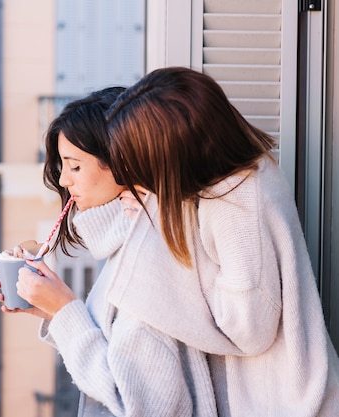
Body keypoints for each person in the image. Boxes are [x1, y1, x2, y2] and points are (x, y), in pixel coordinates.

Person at [104, 66, 339, 416]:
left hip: (284, 405)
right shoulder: (242, 178)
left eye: (139, 161)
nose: (130, 174)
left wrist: (159, 250)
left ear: (172, 153)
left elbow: (249, 331)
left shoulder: (234, 205)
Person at [0, 87, 217, 416]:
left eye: (75, 166)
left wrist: (65, 310)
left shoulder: (146, 259)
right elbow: (120, 358)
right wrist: (53, 313)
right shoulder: (129, 245)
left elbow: (142, 403)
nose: (65, 180)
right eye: (62, 166)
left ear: (121, 162)